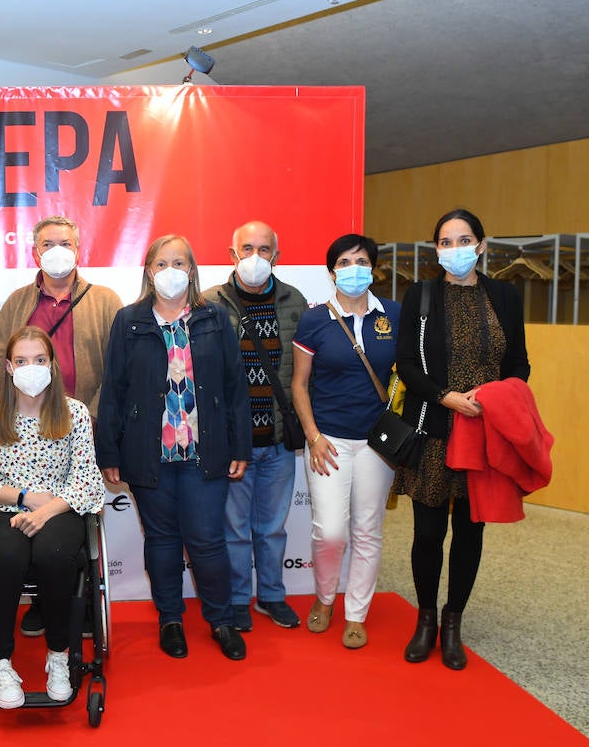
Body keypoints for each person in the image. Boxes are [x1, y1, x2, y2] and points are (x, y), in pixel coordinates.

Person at [96, 234, 251, 661]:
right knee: (162, 542)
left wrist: (240, 445)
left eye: (179, 263)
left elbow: (236, 388)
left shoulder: (215, 318)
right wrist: (108, 452)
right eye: (162, 264)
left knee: (207, 541)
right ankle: (170, 619)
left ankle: (221, 619)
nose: (171, 272)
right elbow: (114, 390)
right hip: (150, 455)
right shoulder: (129, 321)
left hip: (207, 454)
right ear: (149, 271)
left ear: (192, 270)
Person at [393, 208, 530, 670]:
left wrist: (492, 398)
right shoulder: (422, 295)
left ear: (483, 245)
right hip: (435, 427)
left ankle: (454, 623)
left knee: (471, 531)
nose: (456, 250)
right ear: (436, 250)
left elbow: (520, 365)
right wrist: (446, 397)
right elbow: (407, 363)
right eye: (446, 242)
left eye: (464, 239)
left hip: (486, 434)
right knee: (428, 533)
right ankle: (426, 619)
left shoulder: (506, 297)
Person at [0, 215, 121, 639]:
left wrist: (93, 417)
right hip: (20, 427)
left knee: (68, 525)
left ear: (78, 249)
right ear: (35, 251)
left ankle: (68, 601)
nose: (56, 250)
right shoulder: (17, 302)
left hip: (82, 426)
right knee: (25, 526)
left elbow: (117, 370)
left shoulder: (105, 300)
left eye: (65, 242)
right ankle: (43, 601)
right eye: (47, 243)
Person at [0, 327, 104, 707]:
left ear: (52, 366)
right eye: (21, 361)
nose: (31, 368)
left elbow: (88, 481)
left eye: (39, 360)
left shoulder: (73, 413)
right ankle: (1, 661)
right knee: (7, 555)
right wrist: (24, 498)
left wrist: (44, 511)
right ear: (8, 367)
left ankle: (58, 655)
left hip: (59, 509)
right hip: (2, 509)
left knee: (53, 554)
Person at [290, 234, 400, 650]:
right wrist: (313, 437)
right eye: (344, 261)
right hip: (328, 440)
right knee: (331, 532)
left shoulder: (393, 314)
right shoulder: (315, 319)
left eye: (361, 261)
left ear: (374, 267)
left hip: (377, 443)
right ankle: (323, 598)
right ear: (331, 270)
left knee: (368, 530)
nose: (354, 268)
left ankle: (356, 613)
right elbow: (299, 385)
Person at [204, 220, 308, 631]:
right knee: (234, 531)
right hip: (235, 446)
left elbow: (306, 373)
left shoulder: (295, 301)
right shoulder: (210, 303)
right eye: (246, 249)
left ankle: (272, 596)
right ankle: (236, 600)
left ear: (276, 257)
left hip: (280, 441)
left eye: (264, 250)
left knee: (271, 529)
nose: (255, 258)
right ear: (232, 255)